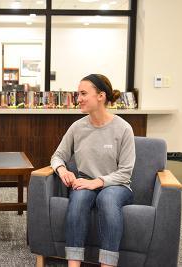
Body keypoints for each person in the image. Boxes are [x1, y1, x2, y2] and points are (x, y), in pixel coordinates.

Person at [51, 74, 135, 267]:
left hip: (117, 185)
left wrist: (96, 182)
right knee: (78, 199)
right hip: (85, 182)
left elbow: (125, 172)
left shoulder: (123, 128)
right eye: (77, 94)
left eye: (83, 94)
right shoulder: (77, 127)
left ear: (101, 96)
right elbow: (57, 156)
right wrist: (62, 170)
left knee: (107, 198)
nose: (78, 99)